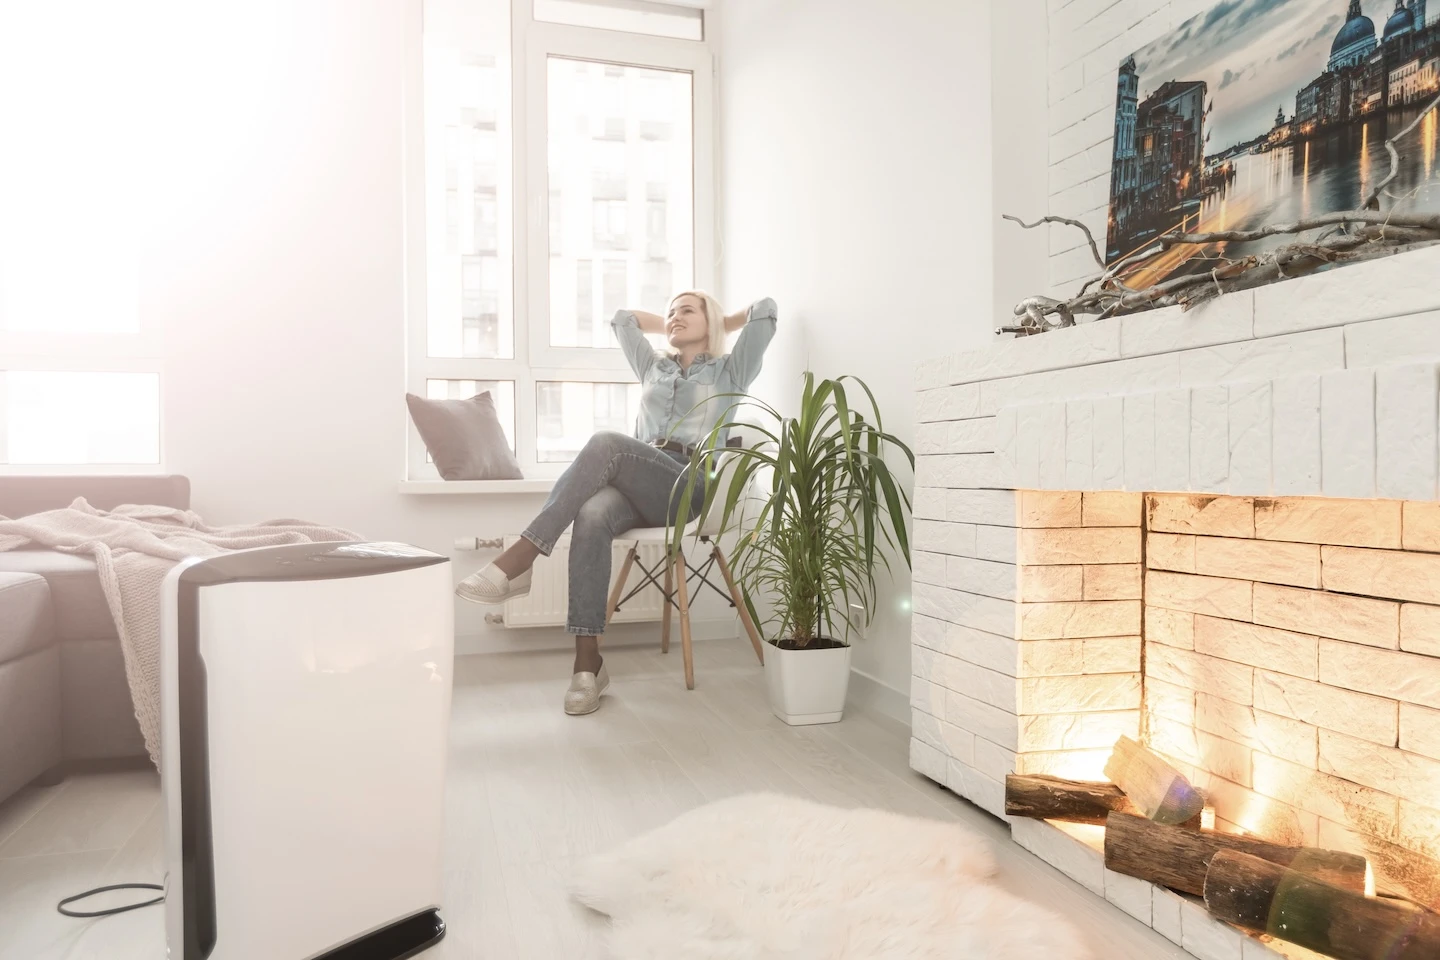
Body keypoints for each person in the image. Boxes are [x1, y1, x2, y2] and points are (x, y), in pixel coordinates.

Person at [455, 292, 777, 715]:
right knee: (592, 514)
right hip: (640, 478)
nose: (674, 317)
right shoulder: (654, 368)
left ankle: (521, 558)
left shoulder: (731, 371)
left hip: (691, 484)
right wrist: (676, 323)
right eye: (670, 312)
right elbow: (624, 320)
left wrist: (720, 323)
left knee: (607, 443)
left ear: (709, 320)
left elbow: (765, 311)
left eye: (687, 310)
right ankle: (587, 666)